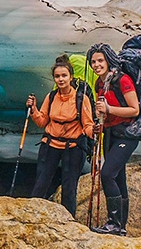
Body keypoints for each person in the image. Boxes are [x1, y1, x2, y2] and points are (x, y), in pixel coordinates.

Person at [26, 56, 95, 216]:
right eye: (57, 76)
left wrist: (95, 131)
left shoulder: (81, 99)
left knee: (69, 187)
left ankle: (68, 220)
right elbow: (42, 121)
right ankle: (32, 215)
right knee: (41, 183)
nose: (61, 79)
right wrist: (34, 110)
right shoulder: (51, 97)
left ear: (71, 77)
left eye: (64, 76)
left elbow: (87, 126)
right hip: (50, 145)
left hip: (73, 147)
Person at [88, 43, 140, 235]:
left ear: (108, 60)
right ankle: (120, 227)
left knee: (107, 174)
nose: (96, 65)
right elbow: (103, 111)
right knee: (119, 178)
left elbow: (135, 109)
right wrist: (98, 121)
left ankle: (114, 223)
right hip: (109, 133)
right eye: (93, 61)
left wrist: (109, 110)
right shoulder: (99, 83)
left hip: (127, 132)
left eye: (100, 60)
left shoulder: (123, 80)